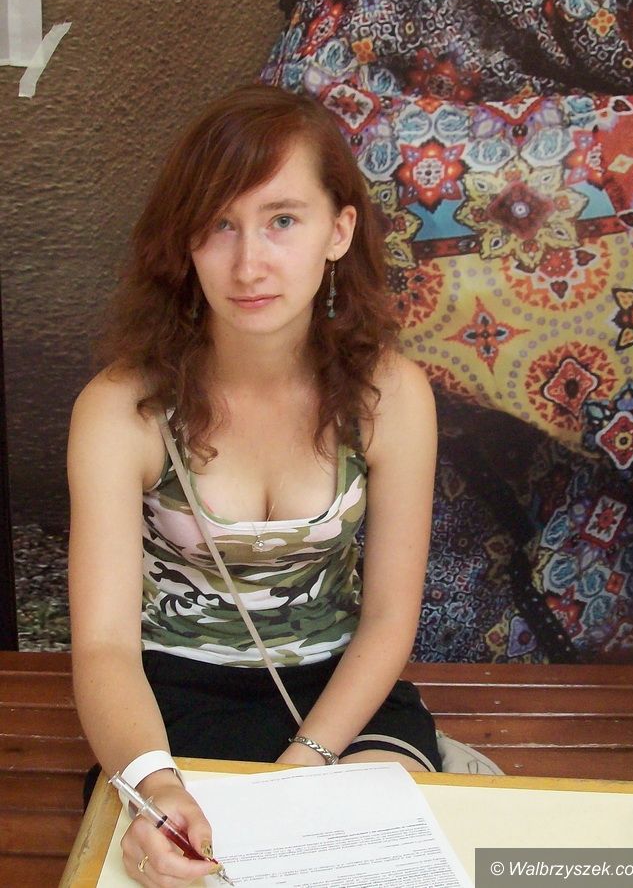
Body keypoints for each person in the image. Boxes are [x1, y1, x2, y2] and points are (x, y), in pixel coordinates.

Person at [67, 82, 440, 886]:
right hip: (171, 696)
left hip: (338, 696)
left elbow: (387, 619)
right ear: (186, 243)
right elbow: (103, 645)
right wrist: (156, 786)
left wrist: (305, 763)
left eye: (282, 220)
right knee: (173, 864)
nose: (248, 264)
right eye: (219, 225)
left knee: (372, 858)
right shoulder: (120, 409)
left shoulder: (390, 396)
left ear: (338, 231)